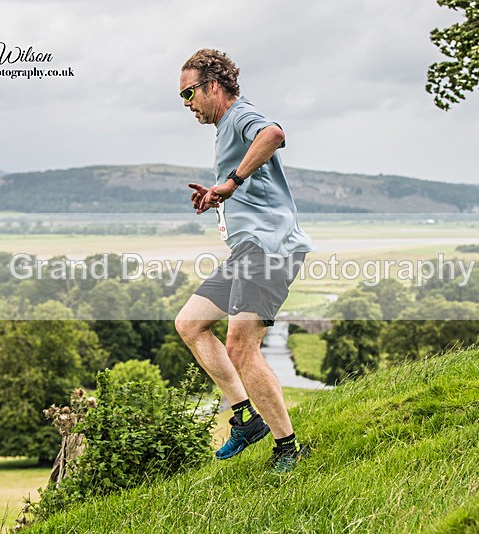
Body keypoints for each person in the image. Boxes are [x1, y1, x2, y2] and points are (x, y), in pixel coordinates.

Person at [174, 49, 314, 474]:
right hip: (247, 251)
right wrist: (217, 195)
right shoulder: (226, 129)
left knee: (240, 346)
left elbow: (273, 134)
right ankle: (244, 418)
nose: (187, 104)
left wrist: (230, 183)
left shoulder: (239, 116)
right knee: (190, 324)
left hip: (269, 249)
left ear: (213, 86)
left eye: (189, 93)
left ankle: (288, 448)